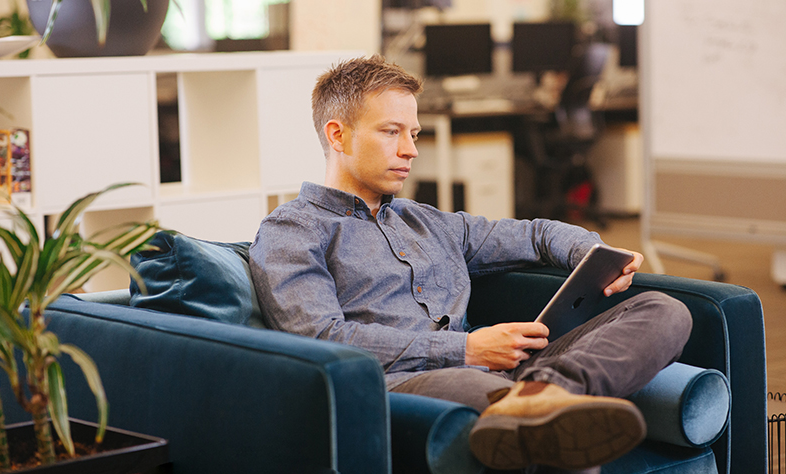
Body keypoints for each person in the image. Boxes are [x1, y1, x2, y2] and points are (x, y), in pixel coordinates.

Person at [248, 55, 692, 472]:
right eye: (391, 132)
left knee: (663, 310)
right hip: (402, 383)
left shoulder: (427, 221)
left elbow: (536, 234)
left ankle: (545, 394)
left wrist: (594, 255)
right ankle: (537, 404)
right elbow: (321, 336)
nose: (411, 150)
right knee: (487, 395)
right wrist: (466, 349)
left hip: (503, 369)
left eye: (415, 134)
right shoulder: (293, 230)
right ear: (337, 135)